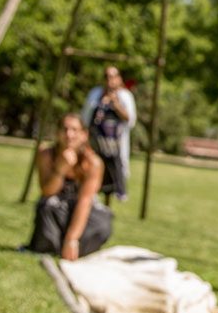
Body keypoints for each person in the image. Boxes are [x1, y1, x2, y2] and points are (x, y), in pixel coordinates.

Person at [25, 113, 113, 260]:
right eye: (64, 129)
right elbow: (47, 191)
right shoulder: (46, 154)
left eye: (74, 130)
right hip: (57, 210)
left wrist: (72, 239)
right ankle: (52, 246)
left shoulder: (93, 163)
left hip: (83, 211)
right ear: (57, 133)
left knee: (103, 223)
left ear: (84, 134)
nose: (69, 135)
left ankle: (70, 246)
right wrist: (60, 169)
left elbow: (85, 201)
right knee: (46, 207)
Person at [81, 66, 137, 201]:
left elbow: (130, 119)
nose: (109, 80)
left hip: (115, 145)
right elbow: (85, 118)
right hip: (96, 143)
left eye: (113, 76)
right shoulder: (96, 94)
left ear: (119, 79)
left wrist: (115, 103)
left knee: (113, 174)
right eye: (106, 76)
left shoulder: (124, 96)